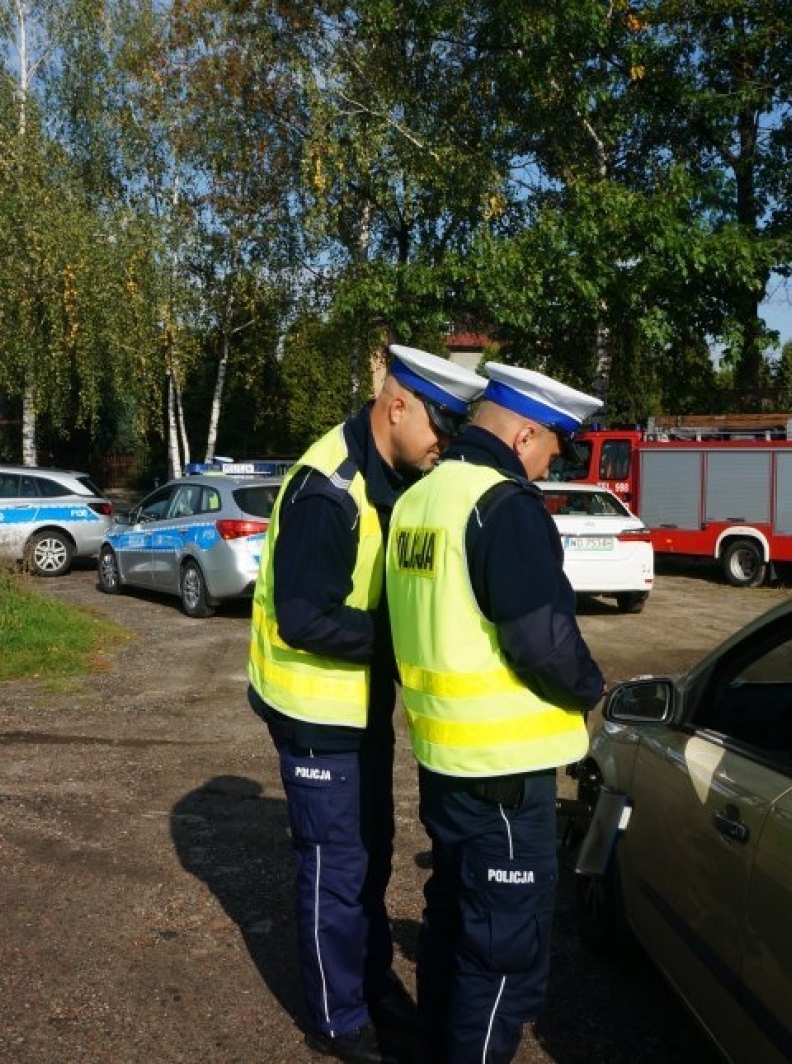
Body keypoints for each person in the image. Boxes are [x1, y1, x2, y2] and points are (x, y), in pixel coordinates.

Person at [247, 344, 487, 1063]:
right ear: (397, 405)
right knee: (335, 870)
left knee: (372, 857)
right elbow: (302, 616)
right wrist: (400, 644)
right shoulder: (331, 487)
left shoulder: (393, 474)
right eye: (439, 423)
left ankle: (371, 984)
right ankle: (337, 1020)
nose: (444, 441)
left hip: (360, 712)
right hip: (316, 715)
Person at [384, 362, 607, 1063]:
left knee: (453, 930)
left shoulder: (421, 500)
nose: (548, 466)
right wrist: (591, 687)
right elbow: (543, 642)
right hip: (505, 779)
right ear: (525, 434)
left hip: (446, 764)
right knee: (503, 963)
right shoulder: (502, 505)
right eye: (551, 449)